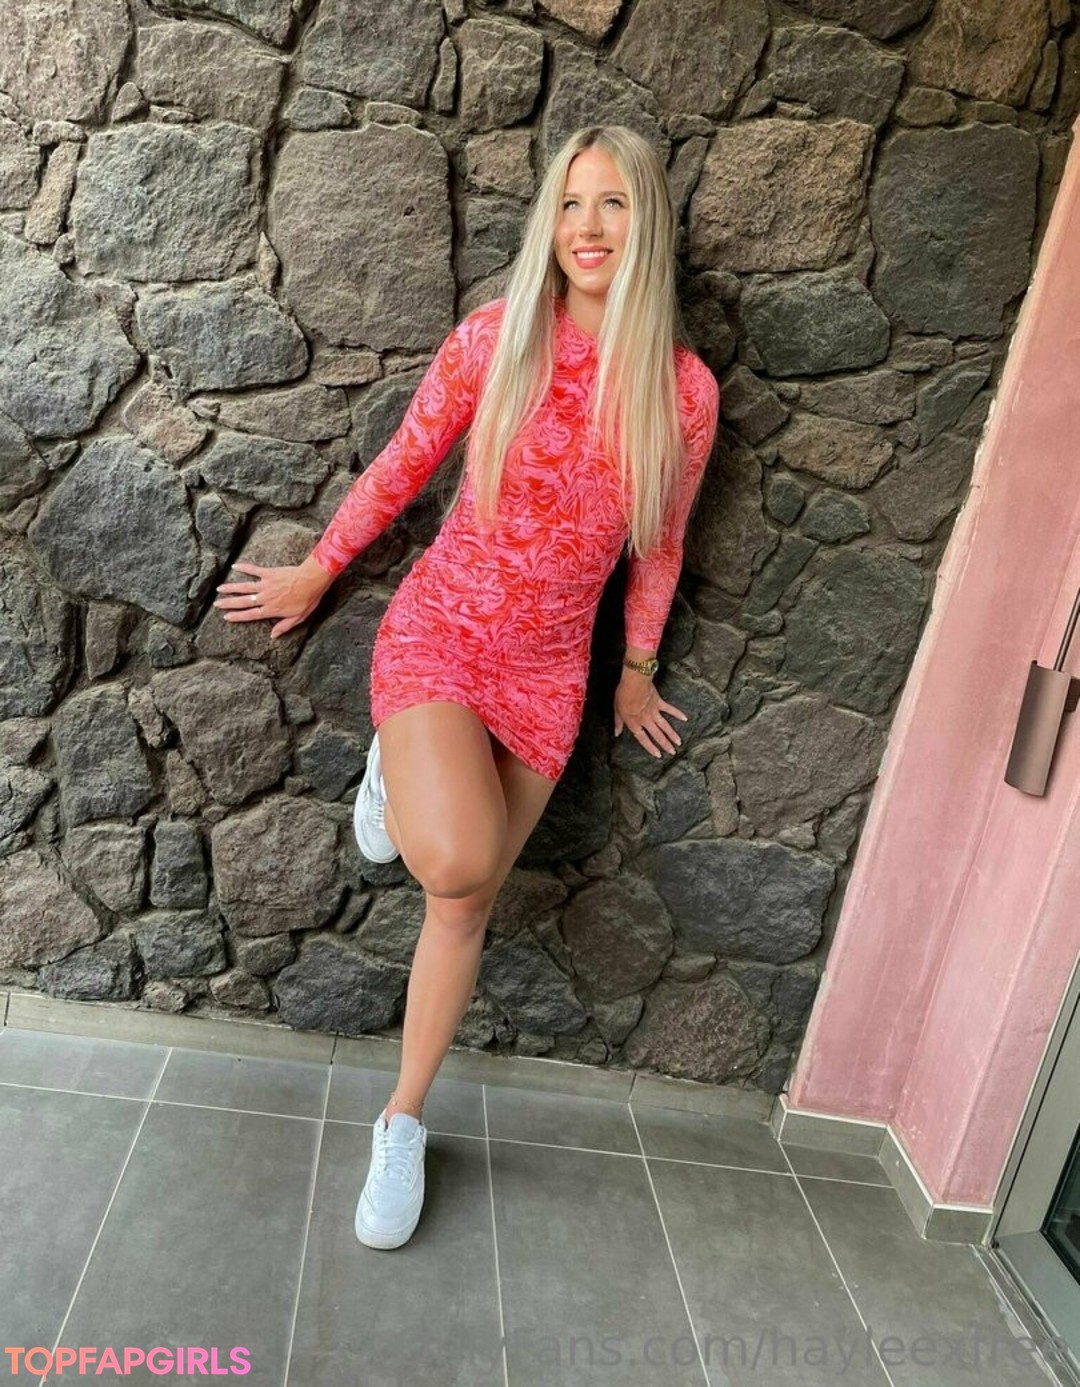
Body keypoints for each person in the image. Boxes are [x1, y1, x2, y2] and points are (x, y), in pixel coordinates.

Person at [212, 124, 720, 1250]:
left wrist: (636, 670)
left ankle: (401, 1120)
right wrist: (320, 566)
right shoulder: (497, 338)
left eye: (614, 204)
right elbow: (405, 463)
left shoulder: (683, 391)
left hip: (549, 671)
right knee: (458, 856)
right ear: (551, 223)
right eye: (572, 204)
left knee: (465, 900)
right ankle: (397, 770)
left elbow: (662, 544)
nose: (589, 227)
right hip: (443, 635)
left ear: (646, 222)